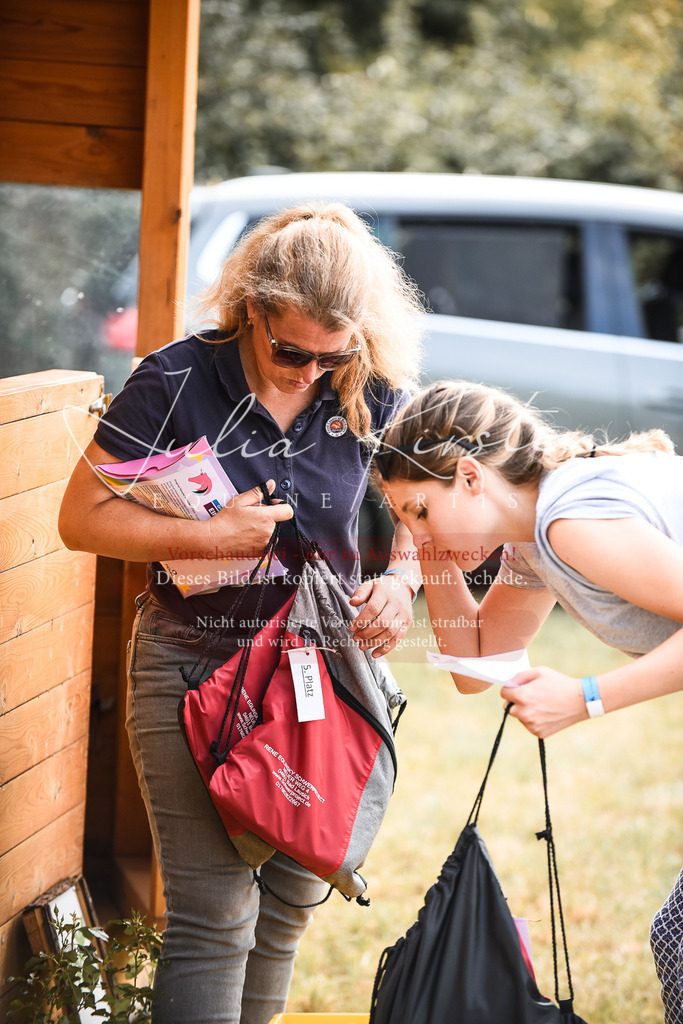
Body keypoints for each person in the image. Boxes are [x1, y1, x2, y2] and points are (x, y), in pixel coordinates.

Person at [58, 202, 425, 1024]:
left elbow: (422, 512)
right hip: (192, 665)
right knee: (215, 917)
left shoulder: (375, 389)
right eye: (290, 350)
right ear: (252, 308)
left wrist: (402, 582)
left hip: (322, 678)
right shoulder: (175, 378)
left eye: (330, 357)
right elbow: (80, 518)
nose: (306, 372)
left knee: (291, 902)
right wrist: (208, 535)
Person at [372, 378, 683, 1024]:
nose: (410, 531)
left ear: (468, 476)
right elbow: (474, 664)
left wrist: (586, 698)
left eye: (419, 511)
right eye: (399, 517)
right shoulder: (535, 540)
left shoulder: (567, 521)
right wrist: (430, 547)